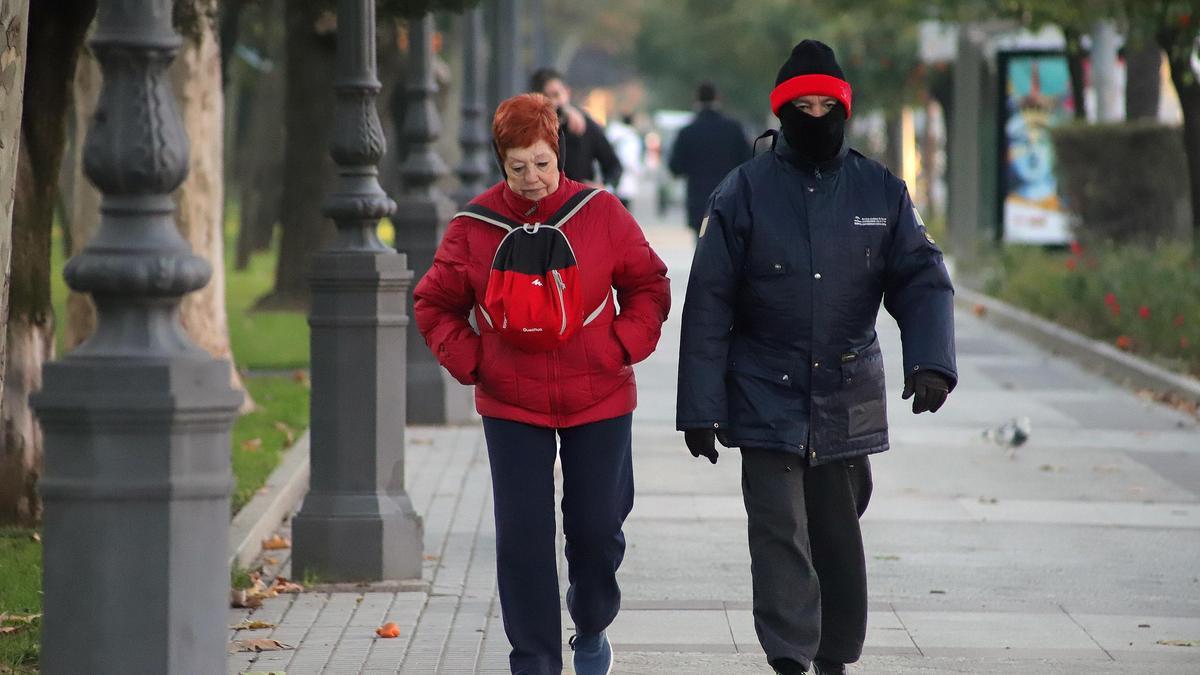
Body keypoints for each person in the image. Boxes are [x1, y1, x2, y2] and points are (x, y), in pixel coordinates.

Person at [675, 40, 956, 675]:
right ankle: (790, 654)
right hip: (762, 389)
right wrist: (700, 406)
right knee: (779, 531)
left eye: (827, 104)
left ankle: (833, 653)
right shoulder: (741, 193)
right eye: (801, 104)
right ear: (780, 112)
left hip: (847, 392)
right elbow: (709, 304)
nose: (816, 113)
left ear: (845, 110)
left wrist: (931, 361)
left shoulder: (879, 190)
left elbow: (921, 277)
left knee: (835, 529)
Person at [414, 93, 670, 675]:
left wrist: (620, 347)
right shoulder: (474, 227)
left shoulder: (599, 213)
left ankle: (593, 620)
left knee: (597, 529)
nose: (531, 179)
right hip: (513, 403)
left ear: (558, 153)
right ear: (500, 165)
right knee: (523, 540)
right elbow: (435, 304)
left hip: (600, 394)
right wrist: (476, 363)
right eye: (517, 167)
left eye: (541, 163)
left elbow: (649, 285)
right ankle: (533, 661)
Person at [668, 82, 751, 237]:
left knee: (703, 248)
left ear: (696, 100)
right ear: (718, 98)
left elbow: (675, 167)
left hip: (699, 203)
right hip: (731, 199)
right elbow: (748, 161)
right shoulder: (733, 129)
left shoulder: (687, 132)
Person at [529, 67, 623, 190]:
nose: (552, 103)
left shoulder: (586, 125)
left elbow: (614, 167)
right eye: (545, 97)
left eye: (556, 95)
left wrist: (604, 188)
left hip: (579, 202)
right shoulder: (529, 129)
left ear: (567, 93)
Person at [606, 113, 644, 209]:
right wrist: (638, 171)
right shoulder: (631, 138)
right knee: (623, 210)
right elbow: (630, 160)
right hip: (626, 178)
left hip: (610, 179)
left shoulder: (611, 134)